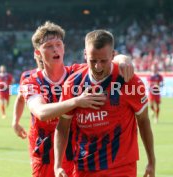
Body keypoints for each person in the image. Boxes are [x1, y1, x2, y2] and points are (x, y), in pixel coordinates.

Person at [13, 21, 134, 177]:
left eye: (58, 44)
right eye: (49, 46)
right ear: (38, 53)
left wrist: (123, 59)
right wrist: (77, 101)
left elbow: (102, 59)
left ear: (64, 48)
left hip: (76, 155)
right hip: (44, 157)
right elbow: (41, 112)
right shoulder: (30, 81)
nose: (55, 49)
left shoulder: (77, 74)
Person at [54, 30, 155, 177]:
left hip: (121, 168)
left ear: (113, 56)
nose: (98, 67)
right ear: (85, 55)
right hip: (85, 167)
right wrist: (57, 165)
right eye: (93, 60)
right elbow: (62, 127)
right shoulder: (73, 84)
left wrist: (151, 161)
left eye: (103, 61)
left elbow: (144, 121)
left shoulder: (129, 81)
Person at [12, 52, 44, 139]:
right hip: (37, 135)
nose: (41, 57)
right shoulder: (27, 76)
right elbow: (20, 99)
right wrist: (15, 121)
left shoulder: (67, 74)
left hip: (64, 131)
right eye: (39, 53)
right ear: (35, 54)